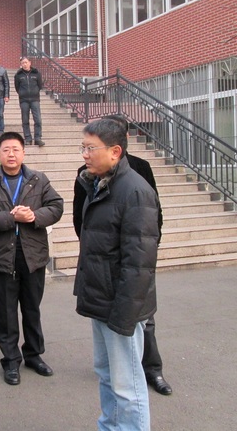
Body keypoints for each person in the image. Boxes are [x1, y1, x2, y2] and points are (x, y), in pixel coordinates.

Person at [72, 114, 172, 397]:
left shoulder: (135, 184)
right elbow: (82, 218)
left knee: (128, 383)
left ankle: (153, 370)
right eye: (83, 147)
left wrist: (147, 247)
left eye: (90, 148)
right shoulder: (91, 178)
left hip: (123, 287)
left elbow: (144, 238)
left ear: (117, 148)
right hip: (102, 285)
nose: (85, 154)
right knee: (108, 374)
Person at [0, 131, 64, 386]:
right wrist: (11, 217)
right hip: (3, 258)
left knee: (32, 309)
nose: (11, 154)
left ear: (23, 153)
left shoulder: (38, 179)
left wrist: (33, 216)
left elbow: (56, 206)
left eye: (15, 149)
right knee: (6, 313)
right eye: (6, 150)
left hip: (33, 256)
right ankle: (11, 360)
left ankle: (34, 355)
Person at [14, 57, 45, 146]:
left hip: (35, 100)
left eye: (26, 62)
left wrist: (34, 92)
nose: (25, 64)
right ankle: (28, 138)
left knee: (38, 120)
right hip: (24, 100)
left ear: (30, 63)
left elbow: (40, 85)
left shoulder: (36, 73)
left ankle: (38, 138)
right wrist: (22, 93)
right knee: (25, 120)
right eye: (23, 63)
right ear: (21, 64)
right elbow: (17, 87)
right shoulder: (18, 75)